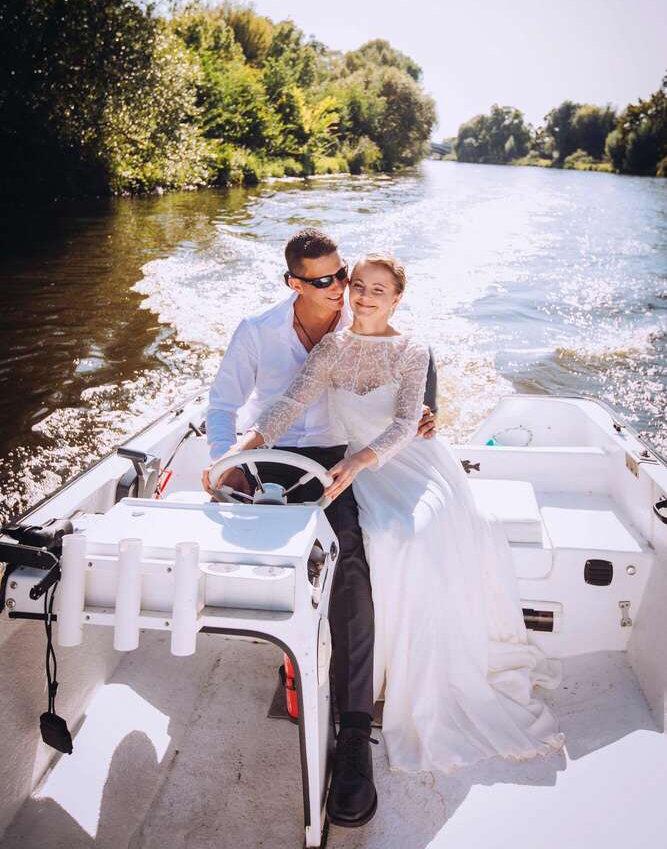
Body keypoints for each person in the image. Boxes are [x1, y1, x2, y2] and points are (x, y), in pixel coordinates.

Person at [226, 252, 566, 776]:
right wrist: (237, 451)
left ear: (397, 299)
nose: (364, 297)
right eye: (359, 286)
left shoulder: (412, 349)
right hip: (357, 467)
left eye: (378, 290)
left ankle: (413, 674)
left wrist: (360, 461)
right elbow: (290, 403)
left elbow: (409, 422)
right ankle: (374, 674)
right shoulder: (332, 347)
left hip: (408, 463)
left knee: (406, 532)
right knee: (376, 537)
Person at [201, 230, 437, 827]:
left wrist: (423, 414)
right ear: (294, 283)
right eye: (326, 280)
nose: (343, 289)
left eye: (344, 275)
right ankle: (289, 655)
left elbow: (407, 382)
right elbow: (229, 407)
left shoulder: (364, 317)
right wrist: (231, 462)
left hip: (342, 457)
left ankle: (354, 731)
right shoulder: (257, 332)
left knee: (348, 561)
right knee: (241, 548)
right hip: (274, 453)